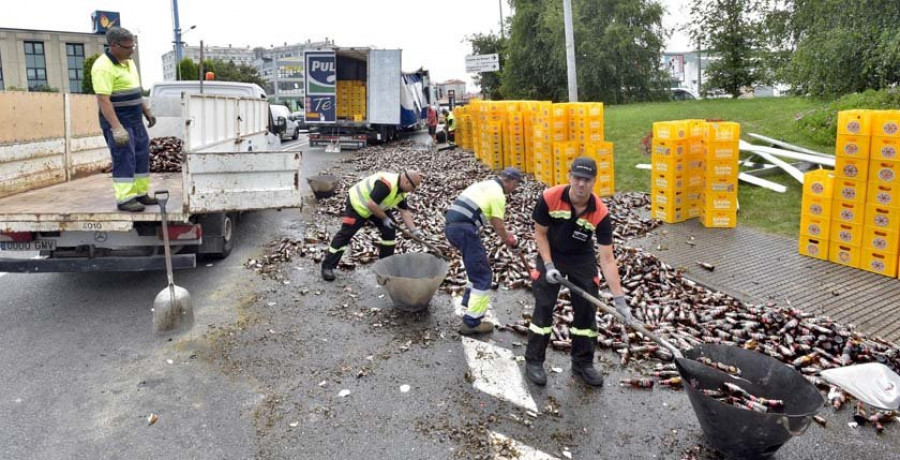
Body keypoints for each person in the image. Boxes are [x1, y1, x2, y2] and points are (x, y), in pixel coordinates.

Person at [524, 157, 633, 387]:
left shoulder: (600, 213)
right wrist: (549, 265)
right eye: (577, 178)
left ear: (594, 181)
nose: (581, 184)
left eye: (587, 180)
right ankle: (534, 360)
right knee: (544, 307)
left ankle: (583, 363)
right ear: (569, 177)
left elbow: (607, 258)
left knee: (586, 309)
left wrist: (619, 299)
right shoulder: (549, 198)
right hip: (552, 253)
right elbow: (540, 234)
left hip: (581, 258)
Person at [445, 167, 523, 335]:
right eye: (516, 184)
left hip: (452, 228)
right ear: (509, 181)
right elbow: (498, 224)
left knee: (475, 268)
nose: (515, 189)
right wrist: (510, 240)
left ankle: (468, 302)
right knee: (483, 275)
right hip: (465, 230)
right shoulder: (498, 195)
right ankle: (472, 323)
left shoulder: (486, 185)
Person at [91, 27, 157, 212]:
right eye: (128, 47)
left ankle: (140, 194)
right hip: (119, 121)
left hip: (136, 120)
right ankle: (125, 199)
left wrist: (147, 112)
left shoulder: (129, 62)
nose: (132, 50)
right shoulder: (102, 67)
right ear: (113, 46)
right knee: (124, 158)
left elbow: (136, 91)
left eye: (133, 45)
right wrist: (116, 128)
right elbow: (103, 100)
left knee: (141, 156)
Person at [321, 170, 425, 281]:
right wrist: (385, 218)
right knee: (346, 234)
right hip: (358, 204)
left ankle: (384, 267)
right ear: (407, 182)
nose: (413, 191)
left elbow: (404, 212)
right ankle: (327, 266)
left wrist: (414, 230)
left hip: (376, 207)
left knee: (389, 231)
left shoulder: (402, 192)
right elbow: (370, 203)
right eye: (413, 187)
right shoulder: (386, 183)